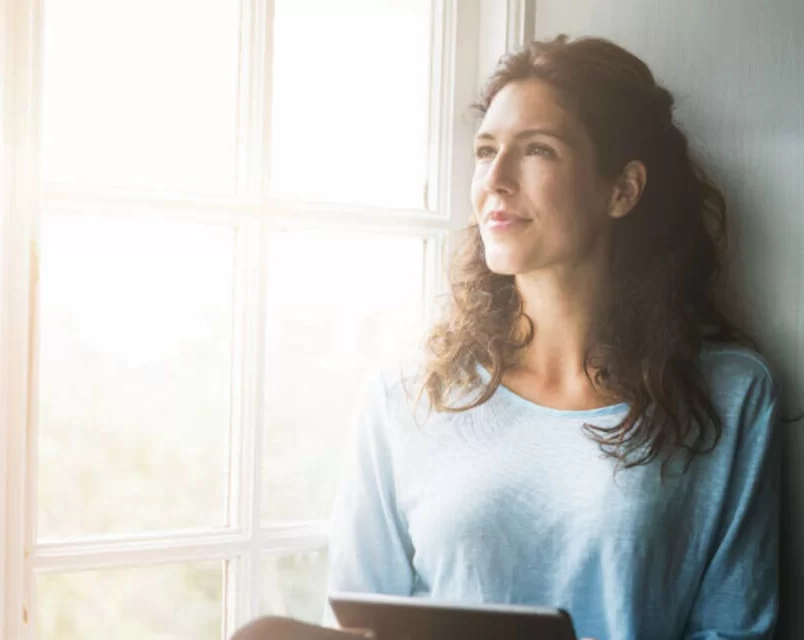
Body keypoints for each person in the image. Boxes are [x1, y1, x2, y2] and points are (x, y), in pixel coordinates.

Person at [321, 34, 781, 640]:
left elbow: (737, 629)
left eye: (538, 149)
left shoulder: (729, 395)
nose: (496, 181)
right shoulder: (404, 398)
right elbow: (359, 622)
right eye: (486, 151)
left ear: (622, 189)